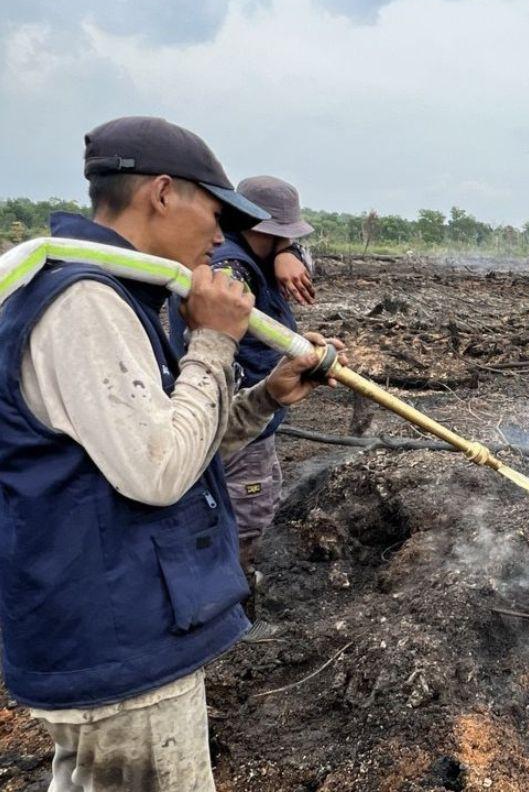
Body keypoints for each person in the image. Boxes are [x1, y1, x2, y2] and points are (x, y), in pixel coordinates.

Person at [0, 115, 340, 791]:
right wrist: (214, 342)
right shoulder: (84, 304)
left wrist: (264, 398)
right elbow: (158, 472)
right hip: (118, 639)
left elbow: (173, 442)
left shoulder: (111, 292)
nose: (218, 237)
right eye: (214, 214)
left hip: (119, 628)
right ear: (162, 193)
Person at [168, 175, 317, 638]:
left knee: (251, 508)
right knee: (246, 522)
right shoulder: (231, 274)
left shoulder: (252, 257)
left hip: (248, 415)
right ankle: (236, 624)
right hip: (236, 419)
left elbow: (300, 270)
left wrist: (287, 251)